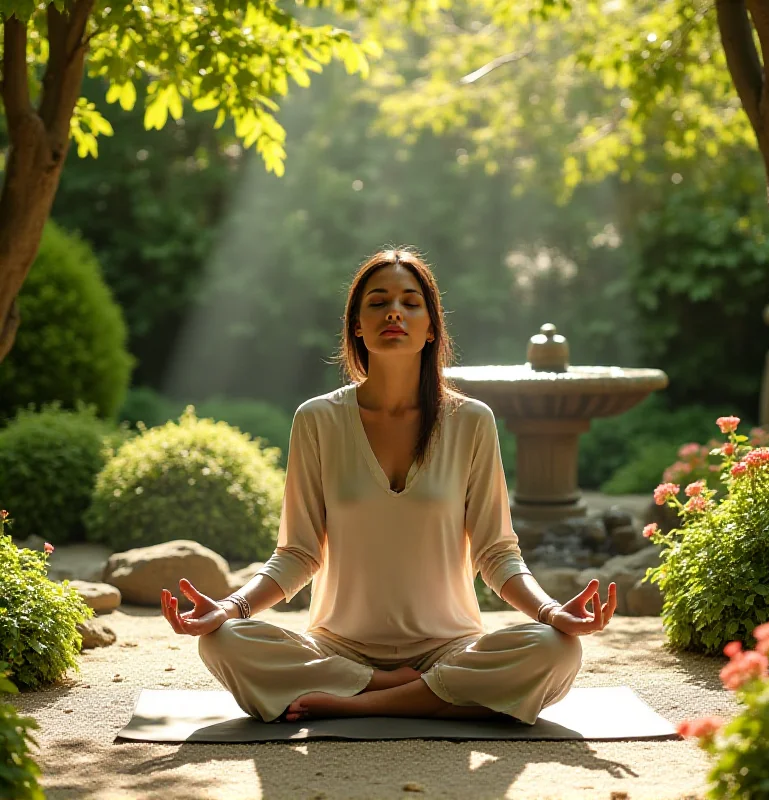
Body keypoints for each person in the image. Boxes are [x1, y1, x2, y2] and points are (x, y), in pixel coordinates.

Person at [161, 248, 617, 725]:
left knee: (557, 652)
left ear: (432, 326)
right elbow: (298, 553)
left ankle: (356, 703)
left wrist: (549, 613)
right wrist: (231, 607)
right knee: (223, 641)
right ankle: (412, 694)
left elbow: (496, 553)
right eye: (377, 302)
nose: (394, 311)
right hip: (337, 649)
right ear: (357, 325)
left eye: (410, 302)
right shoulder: (317, 419)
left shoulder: (471, 422)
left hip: (449, 648)